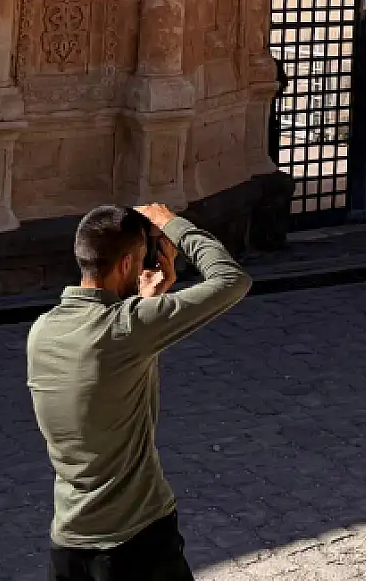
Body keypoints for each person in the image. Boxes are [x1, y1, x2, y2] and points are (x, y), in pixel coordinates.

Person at [27, 203, 252, 581]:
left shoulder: (43, 331)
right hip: (136, 542)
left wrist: (143, 304)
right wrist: (173, 224)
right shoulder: (127, 329)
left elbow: (108, 365)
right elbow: (231, 280)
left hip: (69, 546)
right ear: (127, 263)